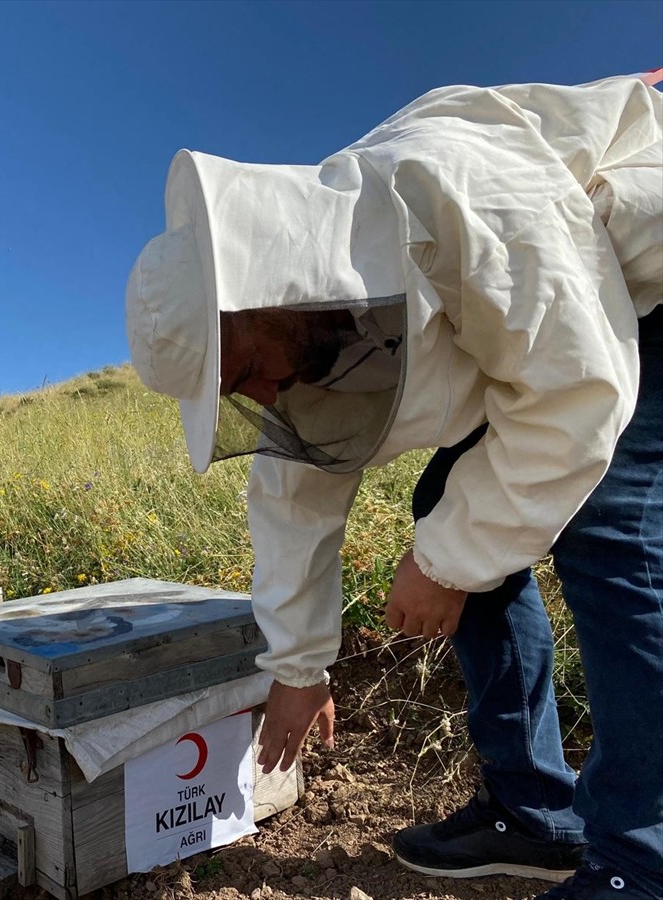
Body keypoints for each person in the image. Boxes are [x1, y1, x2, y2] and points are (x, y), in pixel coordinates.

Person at [125, 72, 661, 900]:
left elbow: (578, 390)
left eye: (249, 369)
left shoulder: (450, 185)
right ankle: (534, 813)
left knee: (612, 525)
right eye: (239, 392)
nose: (260, 396)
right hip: (564, 332)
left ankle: (643, 861)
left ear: (259, 294)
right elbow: (290, 499)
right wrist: (299, 667)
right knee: (447, 504)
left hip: (636, 279)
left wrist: (448, 565)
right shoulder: (304, 325)